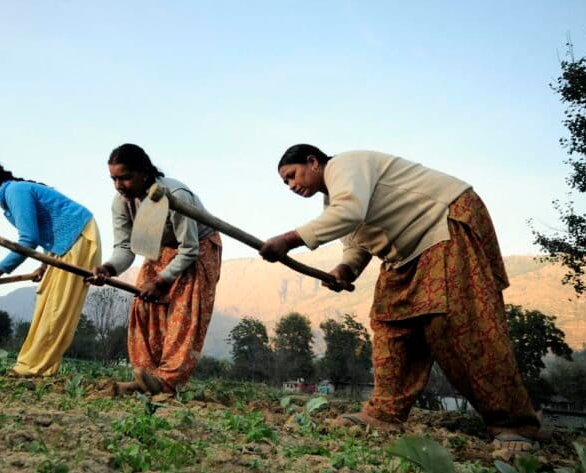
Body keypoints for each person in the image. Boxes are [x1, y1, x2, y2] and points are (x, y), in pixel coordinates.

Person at [259, 145, 541, 451]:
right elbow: (356, 244)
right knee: (389, 323)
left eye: (292, 175)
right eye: (285, 182)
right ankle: (385, 413)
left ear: (313, 162)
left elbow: (349, 213)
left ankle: (514, 425)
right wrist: (344, 270)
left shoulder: (345, 166)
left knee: (459, 323)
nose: (291, 185)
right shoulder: (334, 203)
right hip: (404, 254)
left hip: (442, 223)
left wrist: (287, 240)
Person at [89, 143, 222, 395]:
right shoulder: (122, 203)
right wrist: (108, 268)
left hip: (197, 249)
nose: (119, 185)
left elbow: (189, 249)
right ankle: (147, 377)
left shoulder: (176, 195)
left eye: (125, 178)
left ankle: (166, 382)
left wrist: (162, 281)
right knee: (144, 304)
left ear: (144, 173)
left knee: (184, 315)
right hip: (160, 249)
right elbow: (125, 248)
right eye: (114, 179)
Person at [0, 158, 101, 377]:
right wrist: (44, 264)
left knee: (57, 307)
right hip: (63, 244)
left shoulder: (15, 191)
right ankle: (34, 365)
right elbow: (49, 229)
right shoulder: (11, 196)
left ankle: (32, 367)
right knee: (46, 301)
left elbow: (29, 240)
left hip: (78, 236)